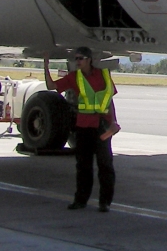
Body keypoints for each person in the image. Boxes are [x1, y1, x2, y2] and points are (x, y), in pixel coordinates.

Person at [43, 47, 119, 212]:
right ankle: (81, 200)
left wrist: (113, 122)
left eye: (80, 58)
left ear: (89, 59)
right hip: (84, 126)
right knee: (83, 166)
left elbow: (109, 101)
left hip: (102, 126)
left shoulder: (103, 75)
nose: (77, 62)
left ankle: (105, 202)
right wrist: (46, 65)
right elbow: (51, 86)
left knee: (105, 165)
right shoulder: (74, 77)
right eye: (76, 58)